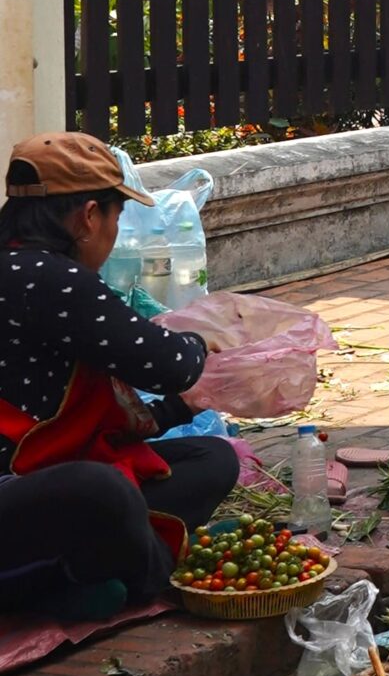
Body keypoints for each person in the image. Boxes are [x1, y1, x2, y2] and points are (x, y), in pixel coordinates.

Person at [0, 133, 239, 618]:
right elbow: (168, 363)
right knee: (104, 492)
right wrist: (198, 343)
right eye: (115, 216)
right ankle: (139, 575)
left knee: (212, 458)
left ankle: (105, 565)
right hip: (17, 489)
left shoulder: (28, 269)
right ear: (89, 217)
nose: (113, 234)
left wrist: (179, 410)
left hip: (41, 477)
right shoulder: (50, 278)